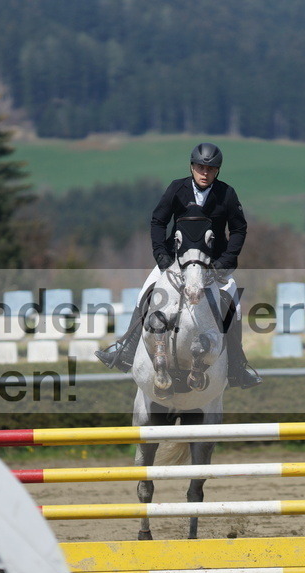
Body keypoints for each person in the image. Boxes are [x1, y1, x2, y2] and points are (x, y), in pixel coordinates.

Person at [96, 142, 261, 389]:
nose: (205, 173)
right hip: (176, 262)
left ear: (218, 171)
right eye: (200, 167)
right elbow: (158, 221)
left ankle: (237, 366)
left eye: (211, 169)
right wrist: (161, 255)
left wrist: (225, 261)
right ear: (192, 167)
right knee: (146, 292)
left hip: (212, 265)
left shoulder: (226, 194)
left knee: (233, 308)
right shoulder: (177, 188)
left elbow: (239, 229)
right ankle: (126, 349)